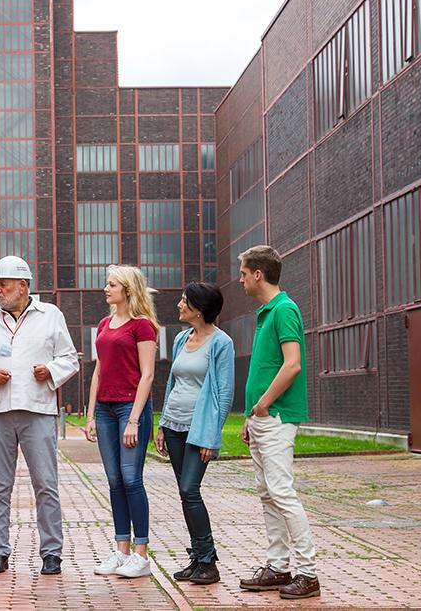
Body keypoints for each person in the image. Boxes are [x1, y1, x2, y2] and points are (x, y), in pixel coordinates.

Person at [0, 256, 79, 576]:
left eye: (3, 284)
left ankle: (52, 552)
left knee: (46, 483)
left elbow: (70, 359)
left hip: (38, 410)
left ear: (23, 285)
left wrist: (50, 371)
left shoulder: (51, 316)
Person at [237, 245, 320, 600]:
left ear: (258, 273)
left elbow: (292, 364)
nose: (239, 279)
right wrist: (251, 414)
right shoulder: (265, 312)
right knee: (268, 494)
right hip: (262, 418)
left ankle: (308, 573)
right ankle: (277, 566)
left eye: (242, 273)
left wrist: (265, 405)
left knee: (282, 493)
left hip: (278, 416)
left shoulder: (284, 309)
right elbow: (267, 368)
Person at [154, 282, 235, 585]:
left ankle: (208, 561)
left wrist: (212, 436)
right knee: (185, 494)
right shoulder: (180, 339)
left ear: (199, 309)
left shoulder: (221, 343)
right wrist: (162, 423)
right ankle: (198, 558)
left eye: (184, 301)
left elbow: (224, 394)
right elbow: (173, 384)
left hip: (198, 428)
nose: (179, 304)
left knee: (190, 490)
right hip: (174, 424)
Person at [84, 265, 158, 579]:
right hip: (104, 408)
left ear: (128, 289)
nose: (106, 288)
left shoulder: (143, 326)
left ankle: (141, 555)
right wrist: (89, 414)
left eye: (112, 284)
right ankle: (121, 550)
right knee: (114, 481)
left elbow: (148, 375)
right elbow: (99, 371)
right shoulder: (104, 323)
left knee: (131, 479)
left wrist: (134, 420)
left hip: (130, 407)